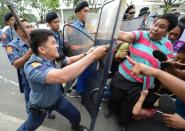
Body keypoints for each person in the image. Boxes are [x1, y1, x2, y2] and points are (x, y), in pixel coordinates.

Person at [17, 29, 108, 131]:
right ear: (42, 49)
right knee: (28, 128)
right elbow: (63, 76)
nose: (57, 45)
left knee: (75, 115)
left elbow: (69, 60)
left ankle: (75, 127)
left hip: (57, 99)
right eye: (53, 43)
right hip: (40, 107)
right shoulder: (32, 67)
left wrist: (87, 54)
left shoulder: (52, 56)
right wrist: (94, 55)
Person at [108, 13, 178, 128]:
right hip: (123, 75)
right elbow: (125, 35)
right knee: (115, 97)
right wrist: (107, 31)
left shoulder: (168, 46)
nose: (155, 28)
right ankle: (111, 110)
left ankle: (123, 123)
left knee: (129, 105)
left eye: (161, 27)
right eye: (155, 24)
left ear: (167, 31)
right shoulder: (140, 34)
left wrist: (171, 64)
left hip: (141, 83)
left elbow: (168, 65)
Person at [127, 55, 185, 130]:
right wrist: (172, 67)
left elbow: (135, 112)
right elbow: (179, 74)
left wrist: (155, 72)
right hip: (177, 114)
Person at [6, 19, 32, 113]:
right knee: (31, 104)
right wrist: (28, 54)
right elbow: (16, 64)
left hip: (44, 76)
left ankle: (48, 112)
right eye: (27, 27)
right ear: (19, 31)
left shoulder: (36, 40)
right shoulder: (11, 46)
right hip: (28, 80)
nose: (31, 29)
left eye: (31, 26)